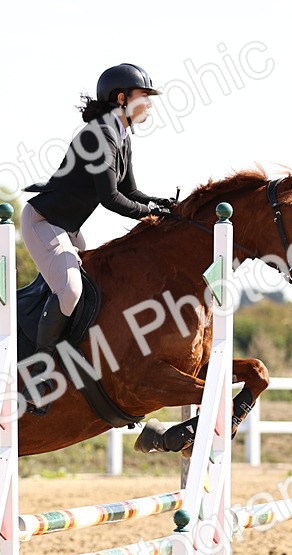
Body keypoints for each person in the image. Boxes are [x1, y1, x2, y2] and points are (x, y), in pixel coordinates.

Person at [21, 63, 175, 412]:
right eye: (144, 96)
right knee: (70, 291)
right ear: (121, 98)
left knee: (92, 289)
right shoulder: (97, 135)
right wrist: (151, 214)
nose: (149, 104)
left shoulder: (121, 135)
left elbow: (130, 191)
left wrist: (161, 203)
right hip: (43, 222)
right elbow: (111, 198)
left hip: (68, 228)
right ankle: (35, 375)